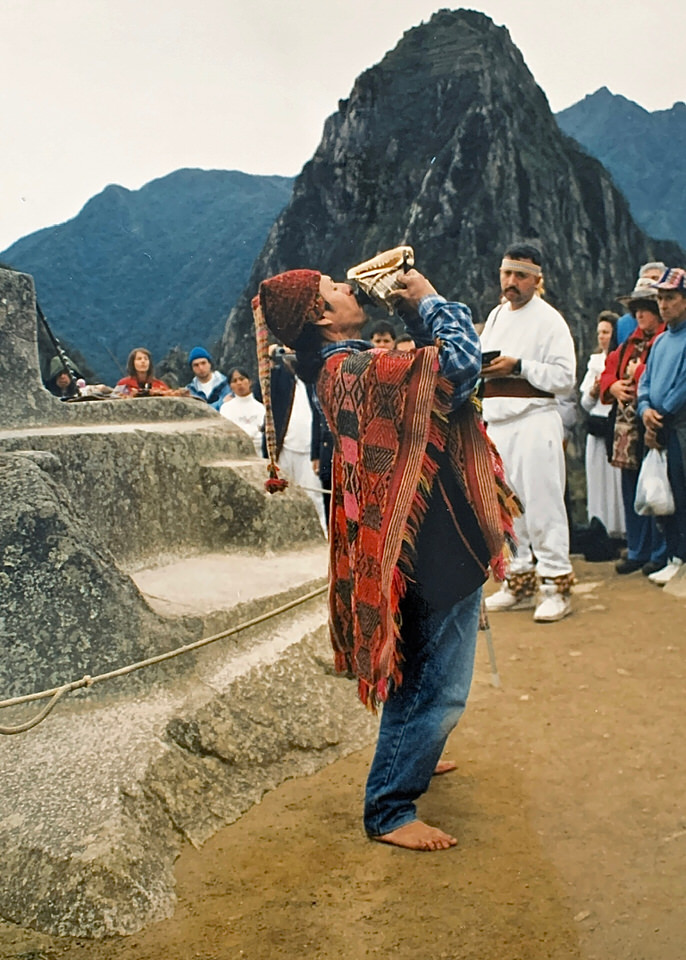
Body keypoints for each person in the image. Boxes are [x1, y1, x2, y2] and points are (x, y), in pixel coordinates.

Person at [252, 267, 518, 852]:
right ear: (322, 316)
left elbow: (425, 381)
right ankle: (390, 807)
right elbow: (457, 365)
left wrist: (411, 316)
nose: (349, 289)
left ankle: (416, 753)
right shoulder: (351, 369)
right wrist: (427, 300)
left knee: (421, 666)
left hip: (420, 536)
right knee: (436, 685)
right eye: (335, 290)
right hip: (429, 543)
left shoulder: (343, 367)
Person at [480, 242, 577, 622]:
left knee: (543, 505)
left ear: (537, 279)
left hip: (535, 419)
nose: (511, 281)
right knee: (510, 508)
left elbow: (565, 377)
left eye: (520, 275)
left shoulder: (550, 320)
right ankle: (518, 581)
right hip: (499, 422)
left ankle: (555, 584)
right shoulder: (496, 317)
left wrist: (518, 366)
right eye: (507, 273)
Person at [599, 283, 666, 574]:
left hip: (651, 420)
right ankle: (639, 549)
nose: (639, 315)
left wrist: (636, 377)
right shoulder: (627, 346)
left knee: (658, 486)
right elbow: (607, 375)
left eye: (645, 309)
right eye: (636, 310)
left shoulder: (664, 341)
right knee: (632, 488)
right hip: (627, 427)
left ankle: (661, 551)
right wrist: (613, 386)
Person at [638, 267, 686, 586]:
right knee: (666, 493)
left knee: (682, 492)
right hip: (660, 425)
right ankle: (673, 555)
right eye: (660, 298)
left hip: (680, 426)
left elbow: (683, 386)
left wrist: (661, 411)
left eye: (670, 297)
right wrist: (644, 409)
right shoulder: (660, 341)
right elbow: (645, 381)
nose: (663, 304)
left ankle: (680, 557)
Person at [263, 344, 327, 535]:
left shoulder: (314, 377)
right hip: (284, 448)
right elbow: (261, 393)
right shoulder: (278, 378)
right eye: (286, 349)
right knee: (282, 492)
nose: (290, 354)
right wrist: (270, 360)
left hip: (309, 450)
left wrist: (317, 452)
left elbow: (319, 417)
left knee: (315, 495)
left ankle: (322, 533)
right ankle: (284, 532)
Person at [579, 311, 625, 538]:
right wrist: (594, 391)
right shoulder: (595, 362)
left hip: (615, 426)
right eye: (599, 332)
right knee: (598, 479)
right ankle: (600, 527)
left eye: (606, 332)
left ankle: (620, 529)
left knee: (615, 481)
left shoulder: (622, 359)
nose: (602, 337)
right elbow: (585, 404)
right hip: (596, 426)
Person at [616, 262, 667, 344]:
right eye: (645, 279)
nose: (649, 282)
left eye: (655, 278)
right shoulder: (623, 325)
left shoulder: (675, 328)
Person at [219, 368, 265, 456]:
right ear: (230, 386)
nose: (239, 383)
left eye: (242, 379)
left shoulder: (261, 408)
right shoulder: (226, 408)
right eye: (234, 381)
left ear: (250, 382)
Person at [114, 348, 187, 397]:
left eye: (146, 359)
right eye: (139, 359)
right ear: (132, 363)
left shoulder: (159, 385)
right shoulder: (123, 384)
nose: (143, 361)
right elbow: (114, 397)